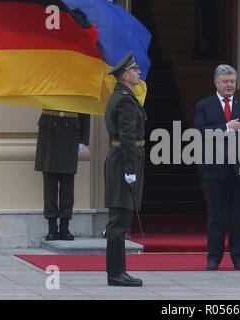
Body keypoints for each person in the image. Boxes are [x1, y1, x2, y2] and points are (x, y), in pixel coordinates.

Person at [194, 64, 240, 270]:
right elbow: (199, 133)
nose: (230, 85)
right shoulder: (204, 106)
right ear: (216, 82)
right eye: (225, 81)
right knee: (215, 216)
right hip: (215, 169)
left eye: (232, 81)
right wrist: (225, 127)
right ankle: (213, 257)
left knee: (238, 216)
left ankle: (239, 256)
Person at [104, 52, 146, 287]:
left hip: (121, 159)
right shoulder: (124, 99)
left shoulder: (122, 96)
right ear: (124, 75)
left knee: (120, 218)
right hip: (124, 161)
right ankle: (116, 272)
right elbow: (128, 138)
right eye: (135, 70)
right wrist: (131, 169)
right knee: (119, 219)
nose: (139, 72)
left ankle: (118, 271)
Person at [35, 108, 90, 241]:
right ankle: (52, 228)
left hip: (70, 131)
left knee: (67, 186)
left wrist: (84, 138)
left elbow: (85, 107)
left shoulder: (79, 86)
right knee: (50, 186)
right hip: (49, 130)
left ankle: (64, 227)